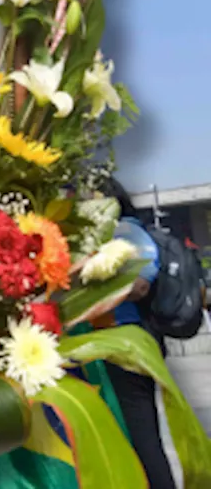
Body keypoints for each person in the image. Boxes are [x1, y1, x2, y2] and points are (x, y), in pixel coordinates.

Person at [95, 178, 178, 489]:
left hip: (129, 341)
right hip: (120, 340)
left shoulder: (125, 232)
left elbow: (140, 285)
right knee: (132, 431)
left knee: (141, 432)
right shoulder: (117, 233)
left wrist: (97, 288)